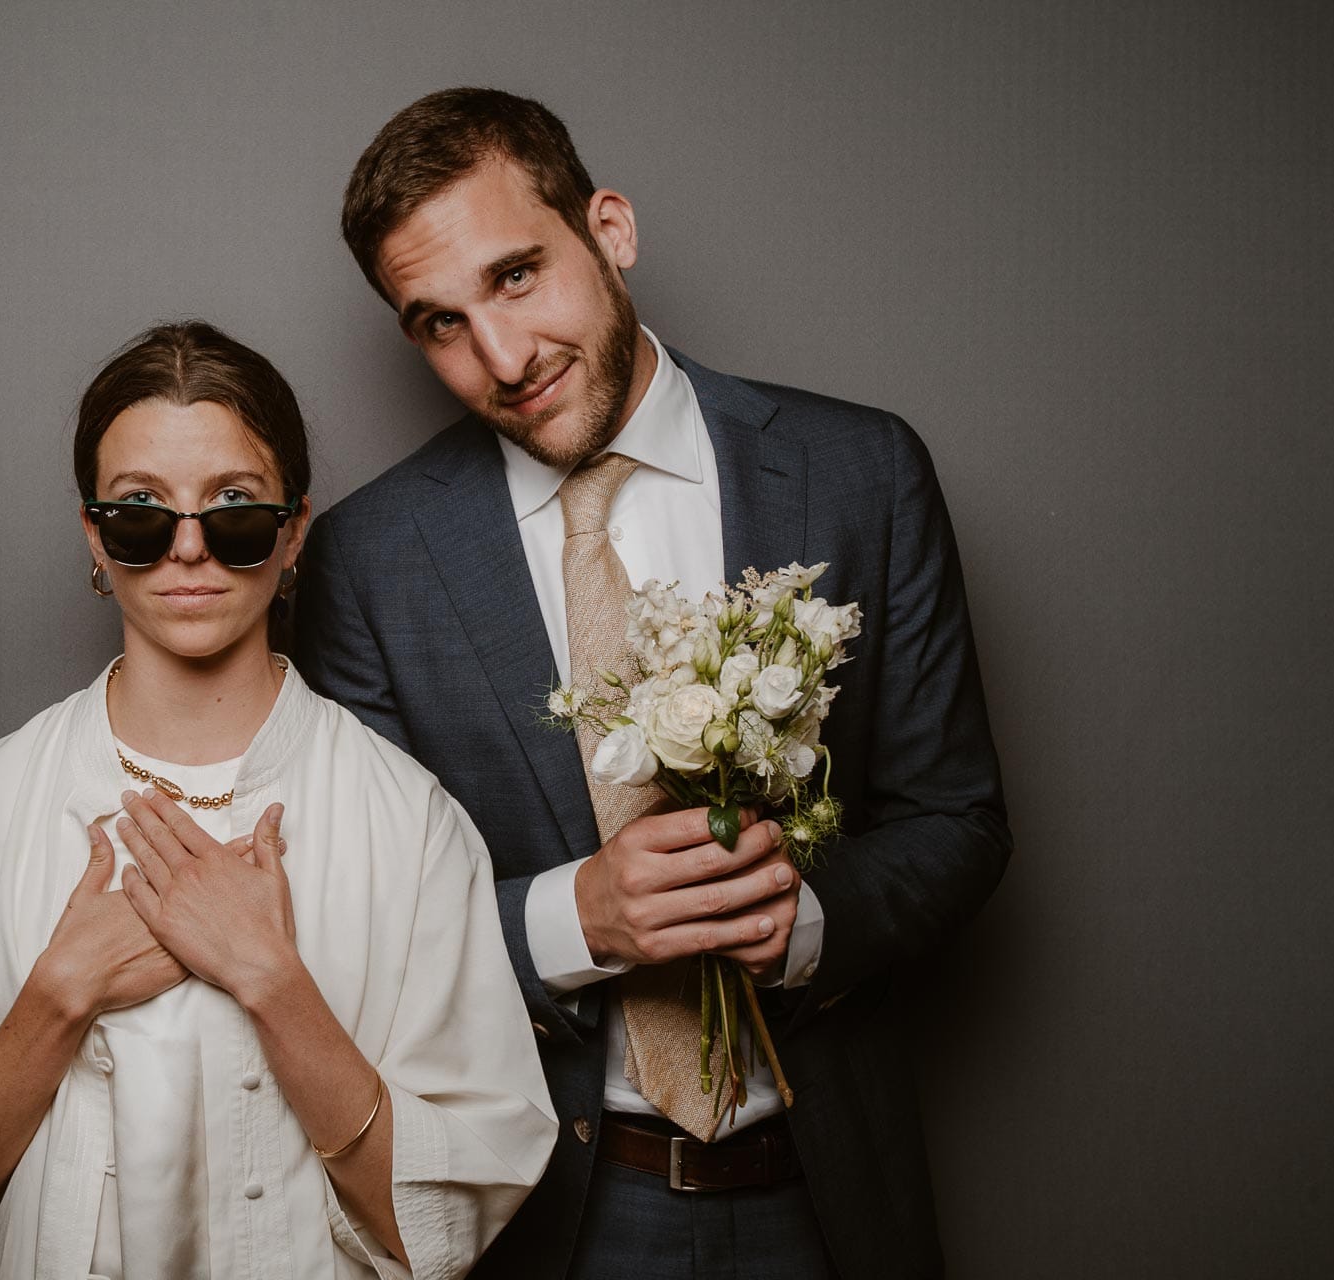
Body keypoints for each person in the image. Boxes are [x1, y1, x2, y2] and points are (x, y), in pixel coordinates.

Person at [293, 88, 1011, 1279]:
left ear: (609, 229)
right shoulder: (372, 560)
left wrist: (804, 921)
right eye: (440, 323)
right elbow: (359, 923)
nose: (503, 358)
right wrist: (574, 917)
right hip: (554, 1210)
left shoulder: (858, 472)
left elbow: (958, 820)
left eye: (516, 275)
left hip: (824, 1195)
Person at [0, 321, 555, 1278]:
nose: (189, 549)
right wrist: (59, 994)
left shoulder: (410, 822)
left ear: (293, 532)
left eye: (235, 508)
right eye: (140, 511)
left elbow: (441, 1233)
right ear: (93, 535)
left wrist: (271, 981)